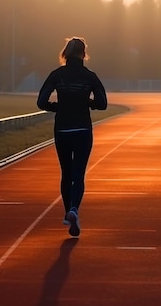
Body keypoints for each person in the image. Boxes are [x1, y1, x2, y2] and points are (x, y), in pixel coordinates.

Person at [37, 36, 107, 237]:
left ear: (65, 54)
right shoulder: (90, 76)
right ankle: (74, 208)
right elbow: (102, 103)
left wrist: (57, 107)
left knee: (66, 173)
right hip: (83, 130)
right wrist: (87, 102)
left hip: (62, 129)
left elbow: (41, 102)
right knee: (79, 173)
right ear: (84, 54)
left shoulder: (56, 75)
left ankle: (68, 213)